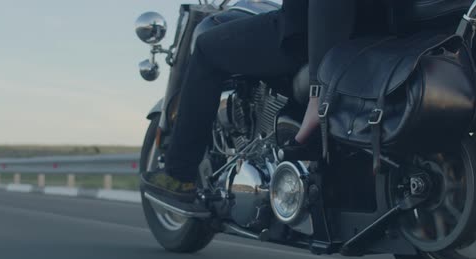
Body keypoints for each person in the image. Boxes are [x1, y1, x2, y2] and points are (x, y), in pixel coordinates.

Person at [142, 0, 356, 204]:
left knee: (206, 49)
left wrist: (317, 90)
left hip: (306, 32)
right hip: (364, 32)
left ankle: (179, 177)